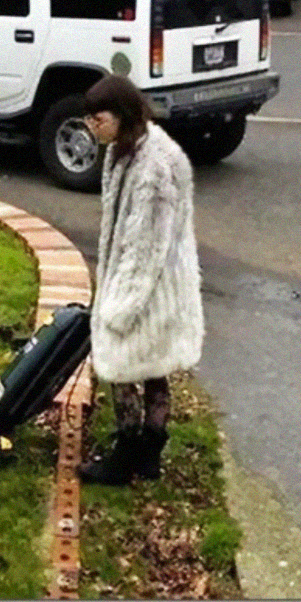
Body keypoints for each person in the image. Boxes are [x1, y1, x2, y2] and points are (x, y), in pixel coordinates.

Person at [77, 75, 204, 486]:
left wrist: (119, 307)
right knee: (152, 365)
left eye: (98, 120)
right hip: (159, 284)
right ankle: (150, 451)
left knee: (122, 365)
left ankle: (126, 454)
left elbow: (145, 247)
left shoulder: (153, 168)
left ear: (122, 114)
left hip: (151, 289)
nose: (92, 128)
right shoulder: (129, 148)